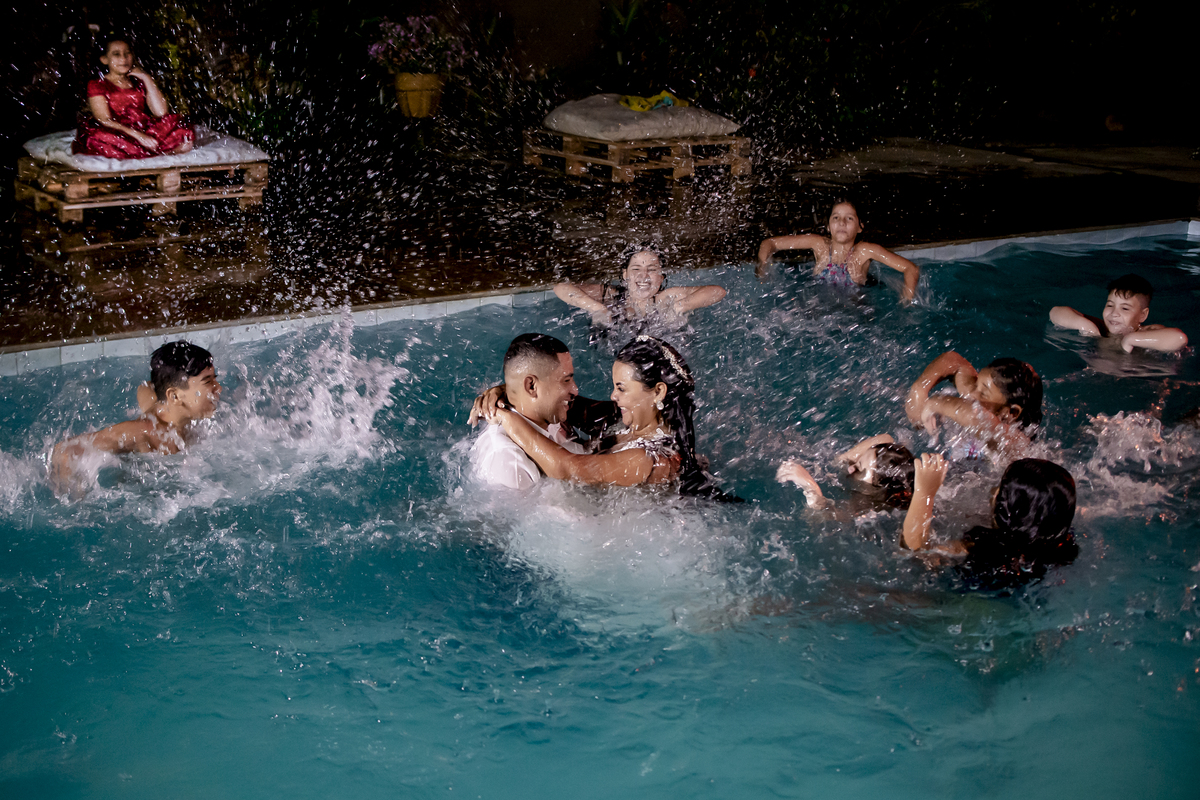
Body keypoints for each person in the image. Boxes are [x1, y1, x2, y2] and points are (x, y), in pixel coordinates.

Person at [480, 336, 727, 495]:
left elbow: (567, 468)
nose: (612, 396)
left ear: (658, 392)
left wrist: (506, 418)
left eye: (621, 388)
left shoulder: (653, 460)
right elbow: (548, 399)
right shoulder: (621, 419)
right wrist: (506, 390)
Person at [50, 341, 221, 495]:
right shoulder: (143, 432)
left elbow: (145, 387)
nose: (218, 388)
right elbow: (64, 451)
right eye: (208, 382)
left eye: (215, 379)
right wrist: (75, 502)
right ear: (174, 396)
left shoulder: (168, 409)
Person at [901, 454, 1079, 590]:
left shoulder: (980, 549)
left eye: (1001, 488)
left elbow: (915, 554)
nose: (994, 490)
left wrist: (924, 493)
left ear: (1008, 509)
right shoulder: (1057, 544)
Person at [468, 333, 618, 490]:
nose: (575, 390)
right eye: (566, 380)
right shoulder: (508, 463)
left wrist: (508, 390)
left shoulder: (550, 412)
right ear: (531, 386)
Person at [756, 200, 920, 303]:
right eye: (835, 217)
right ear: (828, 226)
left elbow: (910, 268)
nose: (841, 222)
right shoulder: (819, 245)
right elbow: (770, 243)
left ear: (860, 227)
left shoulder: (864, 251)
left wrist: (906, 302)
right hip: (820, 309)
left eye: (849, 218)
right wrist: (762, 267)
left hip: (854, 312)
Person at [73, 36, 195, 159]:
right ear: (104, 59)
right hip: (117, 130)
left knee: (179, 122)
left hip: (142, 127)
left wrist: (146, 78)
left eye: (127, 53)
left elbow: (161, 112)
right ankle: (159, 151)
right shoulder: (97, 84)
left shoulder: (137, 81)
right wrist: (138, 136)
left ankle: (148, 151)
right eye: (116, 54)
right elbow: (104, 119)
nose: (123, 58)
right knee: (97, 137)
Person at [553, 245, 726, 332]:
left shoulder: (665, 299)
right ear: (625, 274)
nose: (643, 276)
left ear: (661, 277)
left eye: (652, 270)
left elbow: (718, 291)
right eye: (636, 269)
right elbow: (561, 288)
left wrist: (680, 306)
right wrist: (596, 307)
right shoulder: (611, 295)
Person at [904, 351, 1043, 454]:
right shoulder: (977, 395)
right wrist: (918, 390)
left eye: (983, 393)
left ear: (1010, 413)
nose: (972, 393)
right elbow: (955, 361)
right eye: (977, 383)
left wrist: (935, 402)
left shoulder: (1016, 441)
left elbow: (975, 417)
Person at [1050, 273, 1188, 353]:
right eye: (1110, 305)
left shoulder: (1146, 332)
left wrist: (1130, 340)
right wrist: (1085, 327)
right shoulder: (1100, 329)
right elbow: (1055, 312)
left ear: (1143, 315)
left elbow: (1179, 339)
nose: (1114, 313)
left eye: (1125, 308)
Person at [776, 434, 915, 510]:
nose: (851, 468)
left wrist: (809, 486)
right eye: (859, 460)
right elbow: (886, 438)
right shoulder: (873, 484)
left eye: (859, 470)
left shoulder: (865, 507)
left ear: (879, 490)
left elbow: (820, 518)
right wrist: (839, 460)